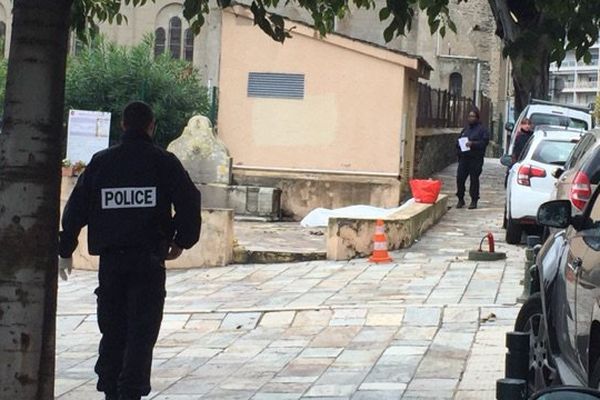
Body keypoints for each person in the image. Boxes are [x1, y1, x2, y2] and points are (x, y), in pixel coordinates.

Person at [58, 101, 201, 400]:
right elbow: (190, 200)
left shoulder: (101, 162)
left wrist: (65, 248)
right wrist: (181, 239)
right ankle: (130, 393)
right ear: (151, 127)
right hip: (148, 262)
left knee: (112, 330)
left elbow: (76, 209)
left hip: (112, 264)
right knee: (141, 334)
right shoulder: (164, 162)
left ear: (123, 125)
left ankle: (112, 389)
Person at [456, 109, 490, 209]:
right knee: (460, 178)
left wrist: (473, 144)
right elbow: (458, 141)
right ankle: (460, 198)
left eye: (473, 116)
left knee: (474, 179)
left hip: (475, 158)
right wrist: (459, 146)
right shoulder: (465, 129)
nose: (471, 118)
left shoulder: (482, 130)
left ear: (477, 118)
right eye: (469, 116)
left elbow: (484, 143)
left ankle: (474, 200)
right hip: (464, 158)